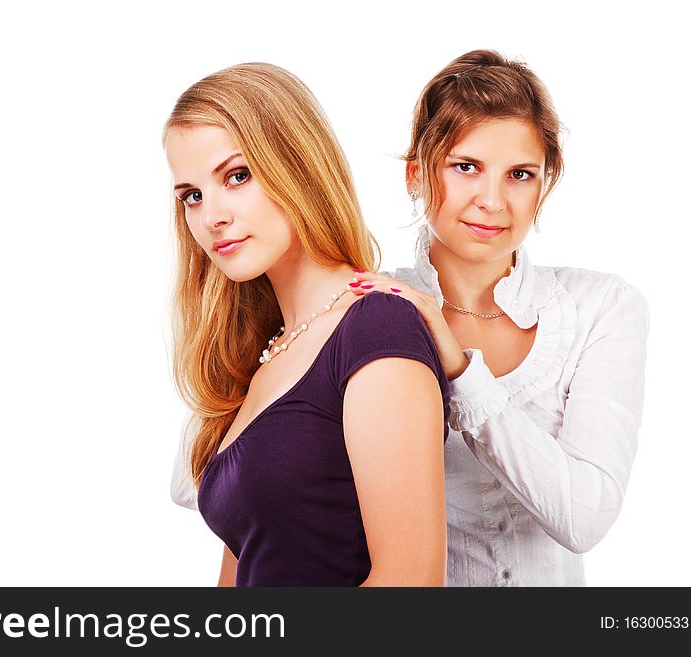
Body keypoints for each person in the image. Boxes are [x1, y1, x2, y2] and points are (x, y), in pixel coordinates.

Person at [171, 50, 650, 587]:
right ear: (416, 175)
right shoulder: (365, 307)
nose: (491, 200)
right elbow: (226, 484)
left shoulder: (599, 307)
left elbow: (584, 517)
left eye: (520, 174)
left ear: (547, 182)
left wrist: (464, 374)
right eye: (465, 167)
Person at [163, 63, 450, 587]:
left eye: (237, 176)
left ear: (294, 164)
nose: (211, 216)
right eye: (192, 195)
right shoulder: (259, 358)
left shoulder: (376, 329)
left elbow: (411, 584)